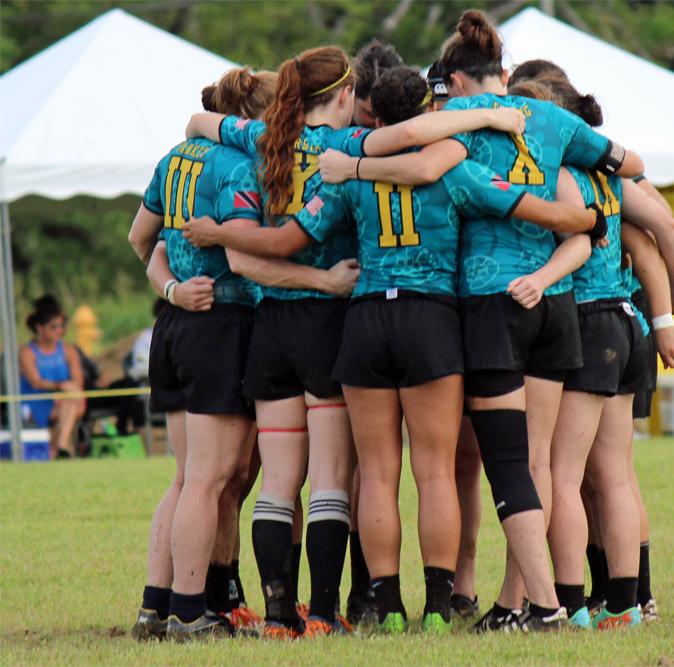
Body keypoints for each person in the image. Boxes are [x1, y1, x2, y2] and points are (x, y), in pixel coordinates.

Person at [181, 66, 602, 635]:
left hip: (365, 317)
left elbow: (290, 239)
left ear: (373, 113)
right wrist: (589, 221)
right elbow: (534, 209)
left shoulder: (345, 174)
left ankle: (383, 601)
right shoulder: (454, 168)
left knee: (376, 472)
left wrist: (221, 233)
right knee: (434, 473)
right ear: (428, 111)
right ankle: (436, 606)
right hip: (430, 320)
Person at [318, 9, 644, 632]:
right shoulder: (551, 120)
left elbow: (411, 164)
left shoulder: (451, 133)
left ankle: (536, 608)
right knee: (546, 465)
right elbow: (625, 165)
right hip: (555, 299)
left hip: (490, 304)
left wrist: (354, 167)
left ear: (459, 83)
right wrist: (586, 210)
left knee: (499, 469)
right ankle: (530, 602)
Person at [508, 61, 674, 628]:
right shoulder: (608, 174)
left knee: (564, 475)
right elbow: (654, 232)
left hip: (587, 320)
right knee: (615, 474)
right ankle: (629, 601)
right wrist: (668, 310)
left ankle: (573, 603)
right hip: (626, 320)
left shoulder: (554, 172)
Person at [126, 66, 278, 641]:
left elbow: (141, 238)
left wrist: (170, 287)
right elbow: (240, 255)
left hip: (174, 324)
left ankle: (155, 607)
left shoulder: (176, 157)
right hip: (222, 322)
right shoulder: (240, 164)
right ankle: (191, 613)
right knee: (209, 481)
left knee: (187, 476)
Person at [18, 295, 85, 459]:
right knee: (70, 404)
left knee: (71, 402)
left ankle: (57, 448)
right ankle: (59, 446)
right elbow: (36, 382)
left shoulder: (69, 350)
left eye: (62, 326)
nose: (59, 330)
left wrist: (70, 389)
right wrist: (61, 386)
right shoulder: (27, 352)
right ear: (39, 328)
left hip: (64, 400)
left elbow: (77, 380)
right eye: (54, 326)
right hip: (36, 401)